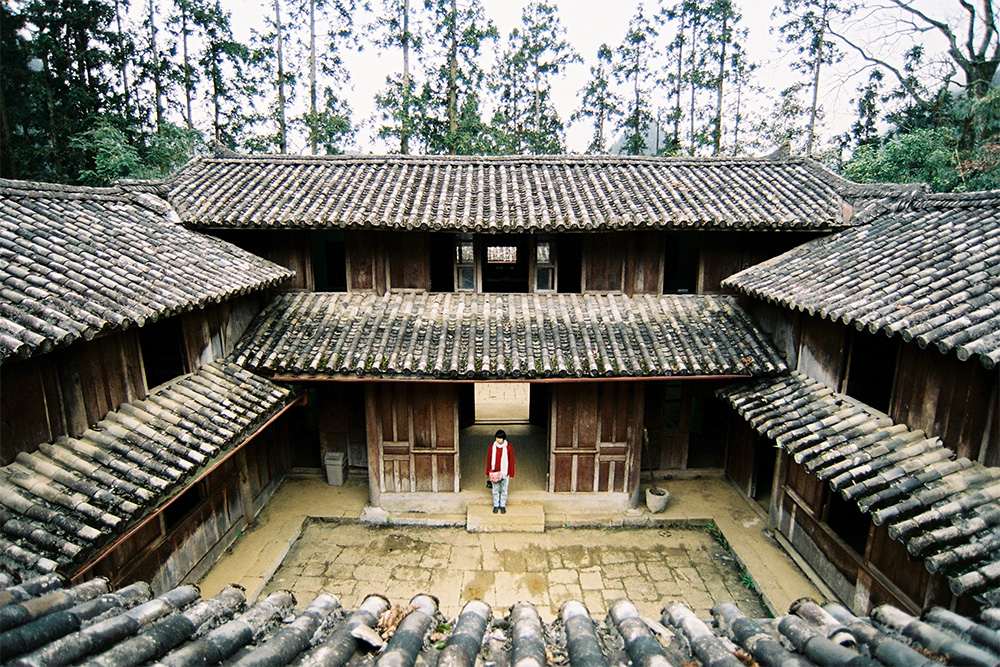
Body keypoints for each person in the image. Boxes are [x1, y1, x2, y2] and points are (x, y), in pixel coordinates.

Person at [486, 429, 515, 514]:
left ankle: (502, 505)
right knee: (495, 490)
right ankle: (496, 505)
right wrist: (487, 472)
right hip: (494, 472)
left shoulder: (508, 447)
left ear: (503, 439)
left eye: (500, 438)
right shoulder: (492, 447)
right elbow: (489, 459)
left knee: (504, 490)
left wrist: (512, 472)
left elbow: (511, 460)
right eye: (497, 438)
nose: (498, 440)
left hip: (505, 472)